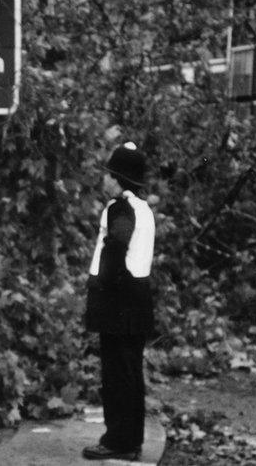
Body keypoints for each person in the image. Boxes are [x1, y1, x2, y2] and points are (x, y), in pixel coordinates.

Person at [82, 141, 156, 461]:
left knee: (115, 376)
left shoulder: (120, 208)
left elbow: (116, 247)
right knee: (130, 374)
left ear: (118, 178)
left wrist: (103, 287)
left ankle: (117, 441)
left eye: (109, 174)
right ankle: (130, 440)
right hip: (138, 298)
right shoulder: (143, 208)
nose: (104, 179)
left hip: (118, 300)